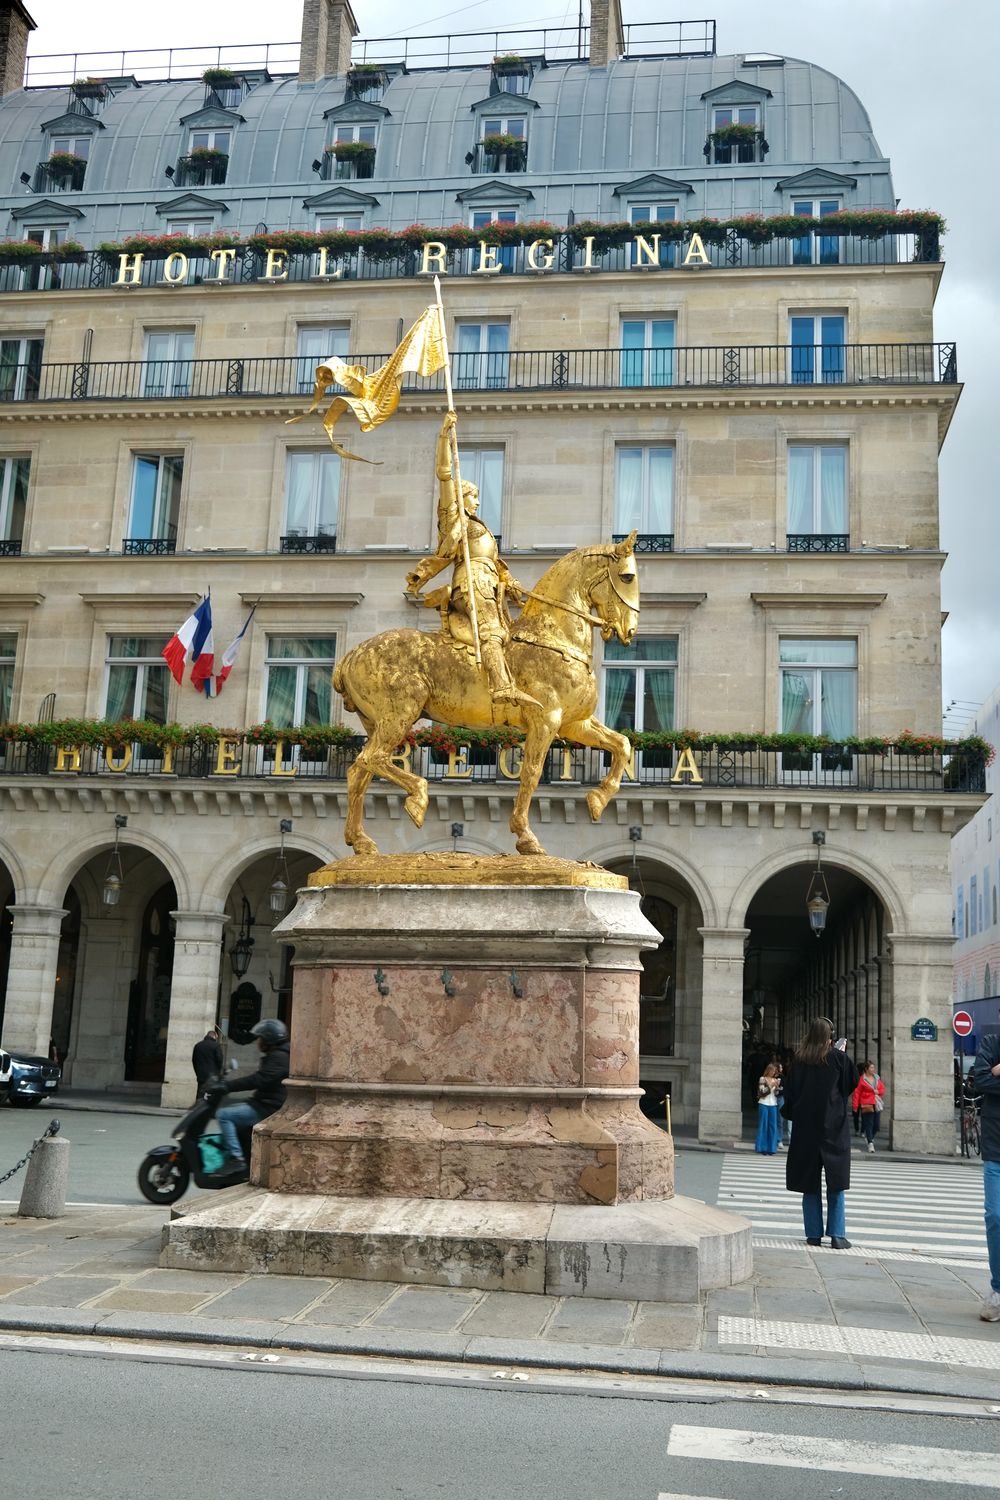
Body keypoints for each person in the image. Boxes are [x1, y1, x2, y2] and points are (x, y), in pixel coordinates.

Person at [406, 410, 539, 708]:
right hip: (470, 585)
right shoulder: (454, 519)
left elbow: (496, 564)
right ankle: (502, 687)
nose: (478, 501)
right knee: (491, 630)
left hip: (490, 586)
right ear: (460, 498)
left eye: (478, 497)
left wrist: (511, 581)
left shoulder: (483, 529)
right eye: (473, 496)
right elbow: (444, 474)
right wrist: (444, 436)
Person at [781, 1016, 859, 1249]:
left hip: (806, 1131)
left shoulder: (800, 1060)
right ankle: (837, 1235)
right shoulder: (838, 1058)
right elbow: (849, 1085)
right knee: (836, 1183)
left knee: (809, 1183)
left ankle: (813, 1234)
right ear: (830, 1036)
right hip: (833, 1129)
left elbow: (790, 1096)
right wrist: (842, 1054)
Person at [206, 1018, 290, 1174]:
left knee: (224, 1115)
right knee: (235, 1112)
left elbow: (258, 1079)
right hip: (264, 1103)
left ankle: (236, 1159)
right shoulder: (280, 1054)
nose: (258, 1042)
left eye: (261, 1038)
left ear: (269, 1040)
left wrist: (227, 1086)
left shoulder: (279, 1057)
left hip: (267, 1107)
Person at [971, 1028, 1000, 1321]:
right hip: (995, 1146)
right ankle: (998, 1289)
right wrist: (990, 1074)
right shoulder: (992, 1042)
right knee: (995, 1216)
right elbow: (980, 1079)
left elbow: (990, 1079)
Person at [851, 1059, 886, 1153]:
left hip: (876, 1103)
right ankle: (870, 1143)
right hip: (866, 1103)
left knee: (877, 1125)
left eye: (873, 1067)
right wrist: (855, 1105)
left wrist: (879, 1092)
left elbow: (883, 1088)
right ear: (866, 1069)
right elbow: (857, 1093)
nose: (873, 1069)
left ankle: (870, 1137)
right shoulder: (862, 1080)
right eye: (871, 1067)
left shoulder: (876, 1078)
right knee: (869, 1123)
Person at [755, 1062, 782, 1154]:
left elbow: (776, 1094)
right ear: (768, 1070)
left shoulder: (775, 1080)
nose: (773, 1072)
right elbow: (762, 1091)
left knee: (772, 1126)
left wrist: (778, 1088)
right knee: (763, 1125)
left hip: (773, 1104)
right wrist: (771, 1086)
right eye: (772, 1070)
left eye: (774, 1071)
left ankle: (771, 1148)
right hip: (763, 1103)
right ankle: (761, 1147)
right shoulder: (762, 1079)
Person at [191, 1026, 223, 1100]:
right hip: (212, 1075)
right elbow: (219, 1060)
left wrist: (197, 1072)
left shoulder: (198, 1045)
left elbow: (194, 1060)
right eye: (216, 1038)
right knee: (211, 1094)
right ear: (214, 1036)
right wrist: (218, 1072)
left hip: (201, 1075)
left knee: (200, 1093)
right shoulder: (216, 1045)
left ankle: (197, 1108)